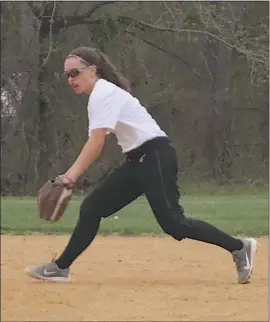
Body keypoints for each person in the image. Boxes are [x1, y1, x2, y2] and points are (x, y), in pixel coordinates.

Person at [25, 46, 257, 284]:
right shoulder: (101, 94)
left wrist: (70, 177)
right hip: (138, 160)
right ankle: (60, 268)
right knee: (92, 208)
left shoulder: (102, 93)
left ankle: (239, 247)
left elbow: (96, 143)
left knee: (173, 223)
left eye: (75, 72)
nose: (70, 79)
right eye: (66, 75)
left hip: (155, 155)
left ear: (93, 70)